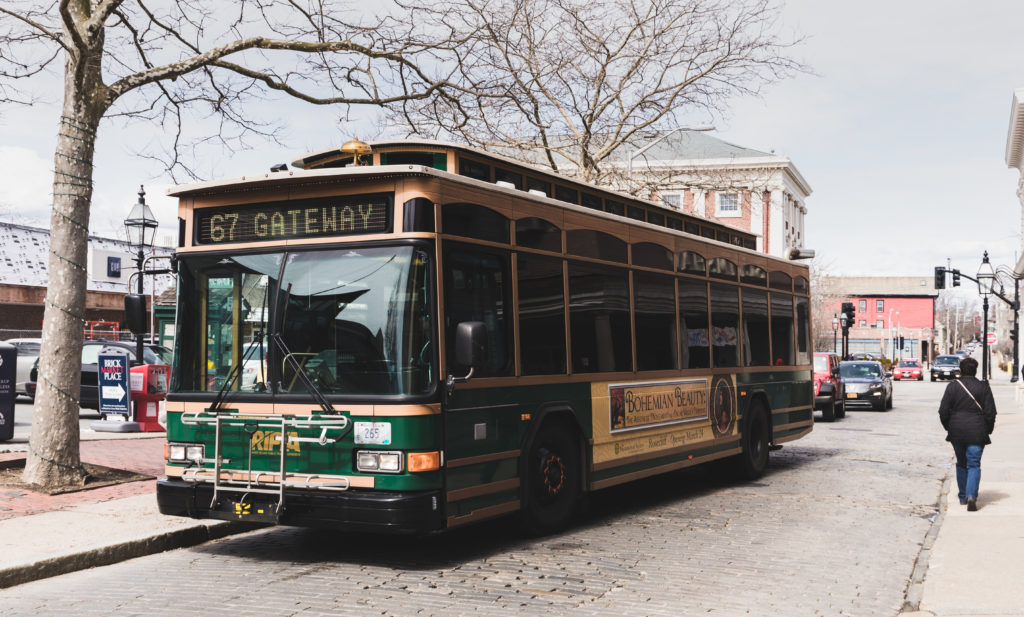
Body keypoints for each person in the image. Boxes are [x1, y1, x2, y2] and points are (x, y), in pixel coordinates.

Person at [937, 357, 997, 511]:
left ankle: (963, 496)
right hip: (977, 430)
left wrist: (949, 427)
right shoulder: (983, 387)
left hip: (957, 431)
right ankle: (971, 495)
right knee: (974, 464)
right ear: (975, 370)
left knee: (962, 463)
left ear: (960, 370)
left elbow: (943, 411)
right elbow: (991, 412)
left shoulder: (952, 387)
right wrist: (987, 429)